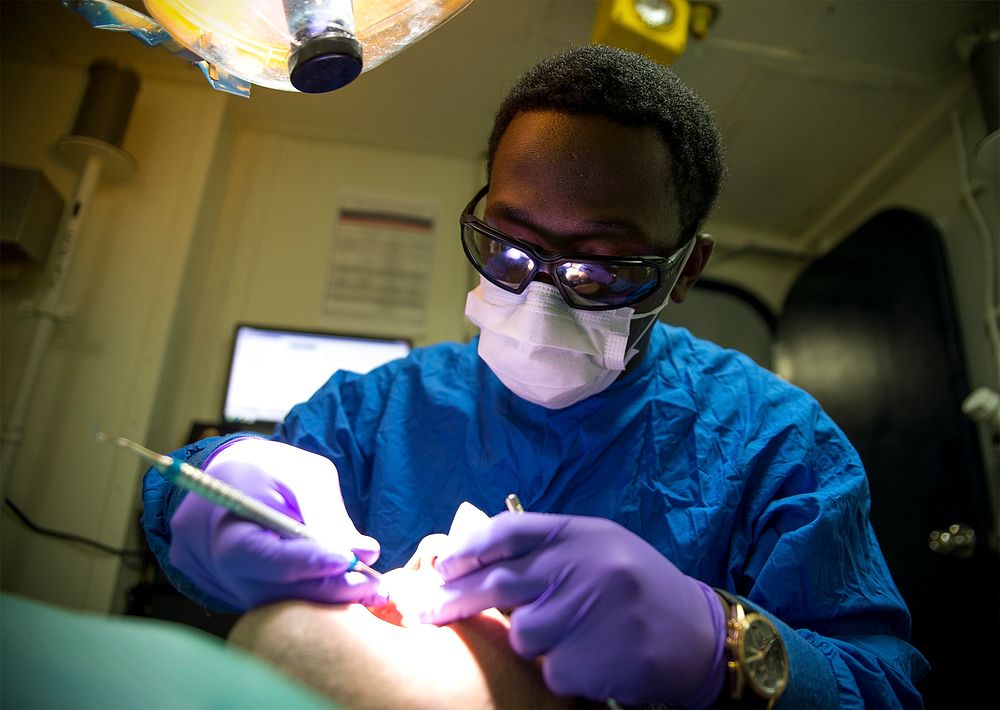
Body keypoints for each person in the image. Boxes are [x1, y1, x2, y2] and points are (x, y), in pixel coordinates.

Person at [143, 44, 927, 708]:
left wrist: (720, 643)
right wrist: (205, 490)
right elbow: (190, 497)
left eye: (600, 271)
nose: (543, 300)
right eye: (511, 251)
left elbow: (883, 686)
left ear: (687, 269)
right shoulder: (381, 408)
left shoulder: (774, 443)